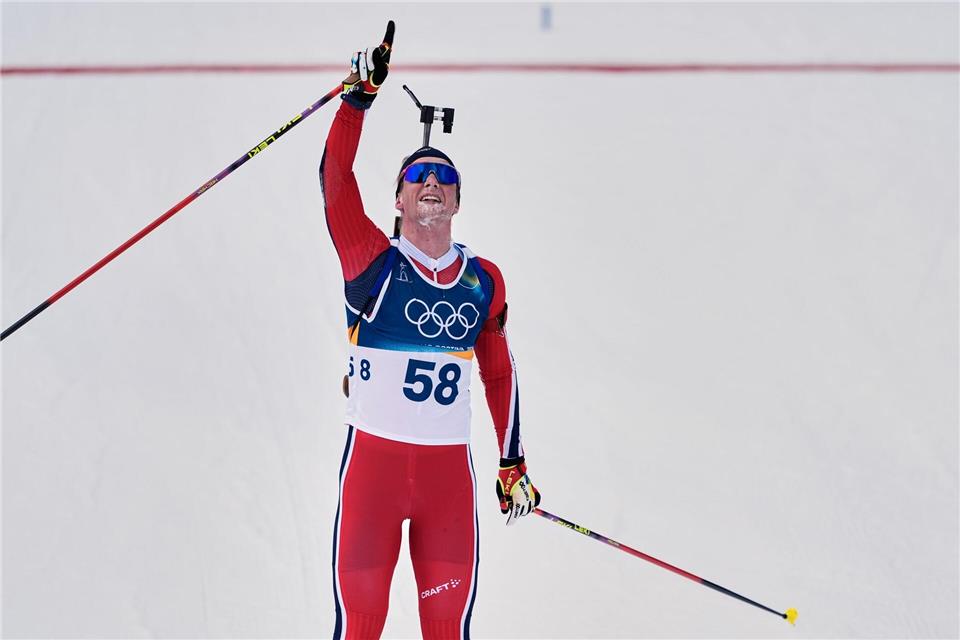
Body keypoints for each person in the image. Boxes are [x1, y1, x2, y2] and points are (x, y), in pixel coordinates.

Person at [319, 22, 541, 640]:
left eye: (444, 177)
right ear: (397, 200)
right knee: (360, 626)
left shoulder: (483, 281)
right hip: (374, 475)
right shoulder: (372, 261)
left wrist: (512, 460)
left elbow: (498, 371)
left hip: (447, 482)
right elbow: (336, 186)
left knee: (446, 630)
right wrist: (357, 101)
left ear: (458, 201)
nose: (432, 183)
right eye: (418, 177)